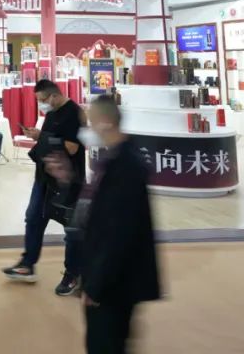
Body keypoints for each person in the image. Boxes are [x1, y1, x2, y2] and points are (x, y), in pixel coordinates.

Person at [79, 95, 161, 354]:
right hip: (111, 279)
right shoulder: (115, 159)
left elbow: (118, 234)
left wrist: (96, 285)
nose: (90, 129)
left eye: (92, 122)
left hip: (115, 283)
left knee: (105, 344)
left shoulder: (126, 168)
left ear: (105, 122)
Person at [3, 78, 86, 296]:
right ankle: (27, 264)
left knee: (72, 229)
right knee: (33, 218)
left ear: (54, 96)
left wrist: (42, 136)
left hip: (67, 181)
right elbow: (50, 141)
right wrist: (38, 137)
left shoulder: (74, 114)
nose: (41, 105)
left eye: (43, 100)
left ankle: (73, 274)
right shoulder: (51, 114)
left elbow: (72, 147)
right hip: (44, 178)